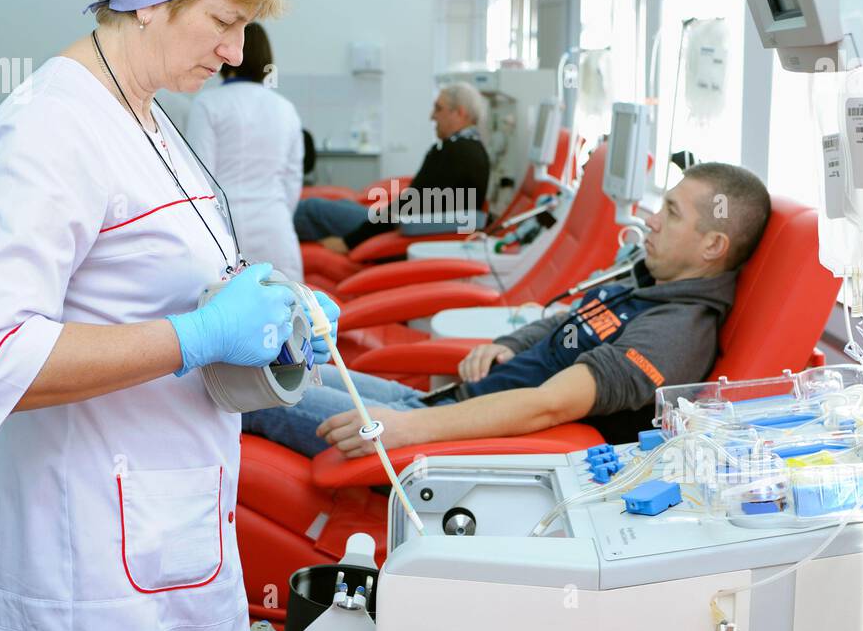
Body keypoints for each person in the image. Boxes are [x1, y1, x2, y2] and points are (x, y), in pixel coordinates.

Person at [0, 0, 339, 631]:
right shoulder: (51, 126)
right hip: (87, 566)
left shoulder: (149, 118)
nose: (234, 53)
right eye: (224, 21)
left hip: (171, 535)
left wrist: (273, 323)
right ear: (150, 0)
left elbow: (149, 291)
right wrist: (195, 338)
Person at [243, 162, 770, 457]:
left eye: (672, 213)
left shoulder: (675, 333)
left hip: (443, 435)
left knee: (248, 394)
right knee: (286, 368)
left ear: (712, 246)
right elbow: (569, 321)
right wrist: (510, 344)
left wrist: (408, 430)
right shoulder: (652, 281)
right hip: (449, 403)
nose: (652, 220)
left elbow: (548, 406)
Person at [293, 81, 491, 253]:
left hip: (403, 229)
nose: (432, 116)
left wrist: (348, 242)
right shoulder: (470, 149)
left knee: (313, 208)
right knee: (341, 204)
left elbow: (410, 205)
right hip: (406, 224)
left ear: (460, 113)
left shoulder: (456, 152)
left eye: (438, 109)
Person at [185, 23, 304, 280]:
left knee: (230, 313)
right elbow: (293, 179)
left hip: (226, 230)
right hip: (276, 226)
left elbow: (200, 178)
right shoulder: (285, 108)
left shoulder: (207, 104)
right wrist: (279, 210)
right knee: (288, 311)